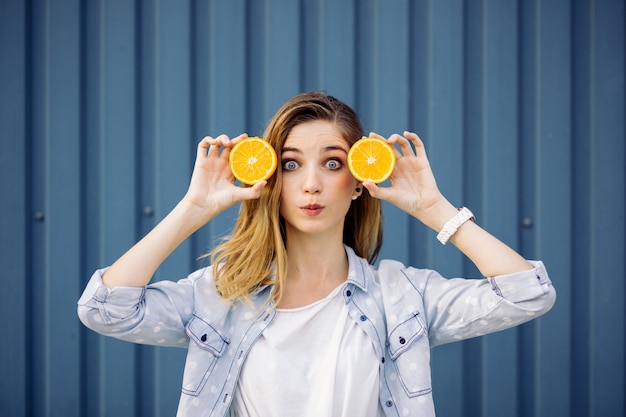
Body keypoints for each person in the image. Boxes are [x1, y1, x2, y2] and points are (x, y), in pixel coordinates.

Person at [78, 91, 556, 417]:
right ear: (270, 179)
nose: (311, 183)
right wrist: (192, 209)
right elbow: (105, 309)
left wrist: (435, 209)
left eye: (333, 163)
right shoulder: (221, 296)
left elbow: (527, 295)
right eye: (290, 164)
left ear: (357, 184)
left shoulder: (401, 297)